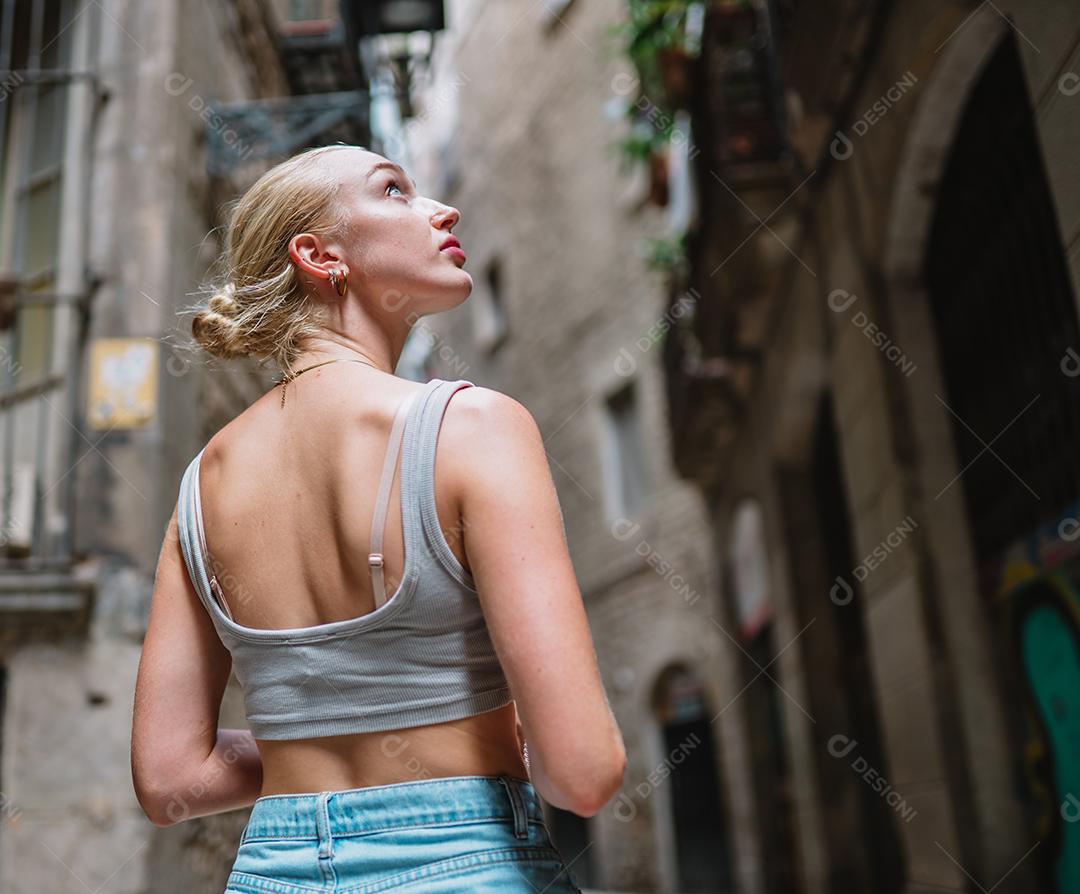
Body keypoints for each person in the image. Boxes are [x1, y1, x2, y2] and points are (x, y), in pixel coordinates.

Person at [130, 144, 626, 893]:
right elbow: (583, 776)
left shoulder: (203, 486)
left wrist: (328, 740)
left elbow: (170, 778)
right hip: (468, 861)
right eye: (393, 190)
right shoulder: (473, 427)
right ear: (318, 254)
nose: (441, 210)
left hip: (271, 870)